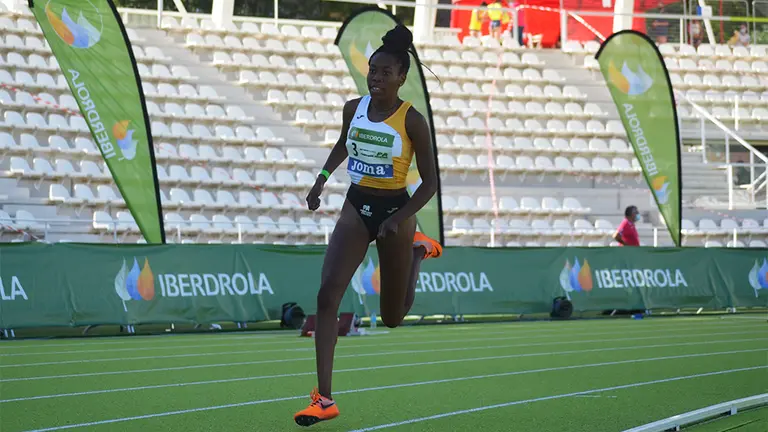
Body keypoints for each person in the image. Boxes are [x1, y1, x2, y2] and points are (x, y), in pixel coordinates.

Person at [294, 24, 442, 427]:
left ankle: (417, 253)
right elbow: (344, 143)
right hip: (356, 206)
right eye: (372, 70)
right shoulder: (353, 108)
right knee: (327, 295)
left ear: (401, 77)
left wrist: (397, 219)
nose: (375, 78)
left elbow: (430, 183)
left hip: (397, 211)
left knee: (393, 317)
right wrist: (321, 180)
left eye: (385, 72)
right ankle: (324, 399)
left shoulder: (413, 121)